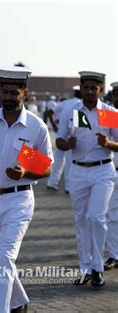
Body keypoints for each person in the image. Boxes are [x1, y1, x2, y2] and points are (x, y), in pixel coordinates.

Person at [0, 66, 53, 313]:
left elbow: (47, 168)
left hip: (19, 200)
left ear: (24, 93)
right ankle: (18, 302)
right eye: (4, 92)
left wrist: (26, 173)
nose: (7, 97)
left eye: (13, 92)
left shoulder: (36, 127)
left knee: (4, 257)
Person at [56, 71, 118, 287]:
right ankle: (85, 268)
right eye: (86, 87)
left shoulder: (110, 113)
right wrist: (67, 144)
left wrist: (109, 144)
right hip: (77, 171)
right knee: (81, 220)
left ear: (101, 90)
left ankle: (98, 268)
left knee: (96, 217)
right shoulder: (70, 112)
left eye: (94, 87)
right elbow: (59, 141)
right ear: (81, 89)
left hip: (103, 170)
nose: (89, 91)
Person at [46, 85, 81, 192]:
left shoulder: (65, 103)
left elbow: (49, 112)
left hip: (61, 134)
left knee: (58, 160)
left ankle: (52, 183)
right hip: (71, 134)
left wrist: (55, 126)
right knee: (69, 161)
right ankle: (68, 187)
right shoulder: (81, 104)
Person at [104, 81, 118, 271]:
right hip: (113, 171)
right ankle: (115, 254)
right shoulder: (108, 115)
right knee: (112, 215)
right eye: (116, 94)